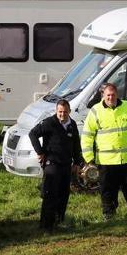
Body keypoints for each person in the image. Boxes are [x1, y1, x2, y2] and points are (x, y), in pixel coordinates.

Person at [81, 83, 127, 220]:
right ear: (103, 96)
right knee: (108, 190)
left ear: (116, 94)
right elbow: (87, 135)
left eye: (113, 95)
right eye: (108, 95)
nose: (111, 97)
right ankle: (109, 213)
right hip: (107, 160)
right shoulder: (95, 111)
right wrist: (88, 157)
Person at [29, 99, 85, 231]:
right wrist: (40, 152)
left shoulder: (72, 125)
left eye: (65, 112)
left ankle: (59, 221)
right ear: (56, 111)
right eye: (60, 112)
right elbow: (32, 134)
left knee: (63, 194)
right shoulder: (49, 123)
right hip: (52, 164)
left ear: (69, 111)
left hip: (66, 165)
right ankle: (45, 225)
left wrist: (77, 162)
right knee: (50, 194)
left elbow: (76, 144)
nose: (62, 114)